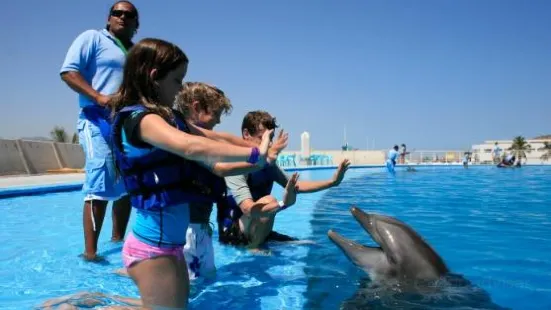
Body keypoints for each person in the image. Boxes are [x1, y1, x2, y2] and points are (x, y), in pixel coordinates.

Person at [110, 38, 274, 309]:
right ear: (154, 77)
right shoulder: (142, 120)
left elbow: (212, 136)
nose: (178, 91)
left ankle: (88, 302)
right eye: (177, 80)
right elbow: (191, 145)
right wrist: (255, 154)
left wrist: (258, 148)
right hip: (152, 247)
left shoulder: (166, 118)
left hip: (169, 245)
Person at [174, 82, 288, 279]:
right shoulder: (185, 140)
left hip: (199, 229)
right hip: (183, 230)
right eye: (215, 113)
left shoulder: (200, 137)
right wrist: (263, 157)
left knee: (202, 285)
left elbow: (226, 139)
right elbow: (220, 168)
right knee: (181, 298)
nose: (218, 120)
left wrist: (264, 154)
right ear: (196, 107)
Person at [59, 0, 138, 261]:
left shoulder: (137, 52)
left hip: (126, 123)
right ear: (108, 18)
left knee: (127, 183)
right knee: (100, 178)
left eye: (129, 15)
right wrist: (98, 96)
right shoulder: (93, 38)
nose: (122, 17)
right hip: (96, 118)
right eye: (117, 13)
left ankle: (117, 242)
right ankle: (91, 254)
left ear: (136, 23)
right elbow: (69, 72)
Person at [219, 111, 351, 249]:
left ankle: (260, 238)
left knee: (310, 245)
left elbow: (295, 186)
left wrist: (332, 182)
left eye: (270, 138)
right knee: (270, 200)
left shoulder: (267, 165)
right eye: (262, 138)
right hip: (232, 232)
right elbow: (247, 209)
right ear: (246, 134)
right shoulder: (234, 164)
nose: (269, 144)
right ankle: (253, 248)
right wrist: (283, 204)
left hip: (255, 226)